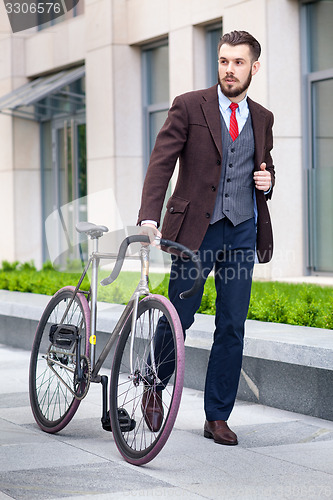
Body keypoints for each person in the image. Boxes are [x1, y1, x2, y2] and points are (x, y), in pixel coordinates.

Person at [137, 30, 275, 445]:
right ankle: (153, 384)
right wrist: (148, 215)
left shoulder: (263, 118)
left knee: (232, 324)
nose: (229, 70)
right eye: (223, 61)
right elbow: (162, 162)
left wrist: (268, 182)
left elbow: (262, 170)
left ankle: (217, 415)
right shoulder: (189, 105)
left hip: (242, 229)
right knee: (181, 316)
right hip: (197, 229)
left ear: (254, 67)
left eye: (237, 62)